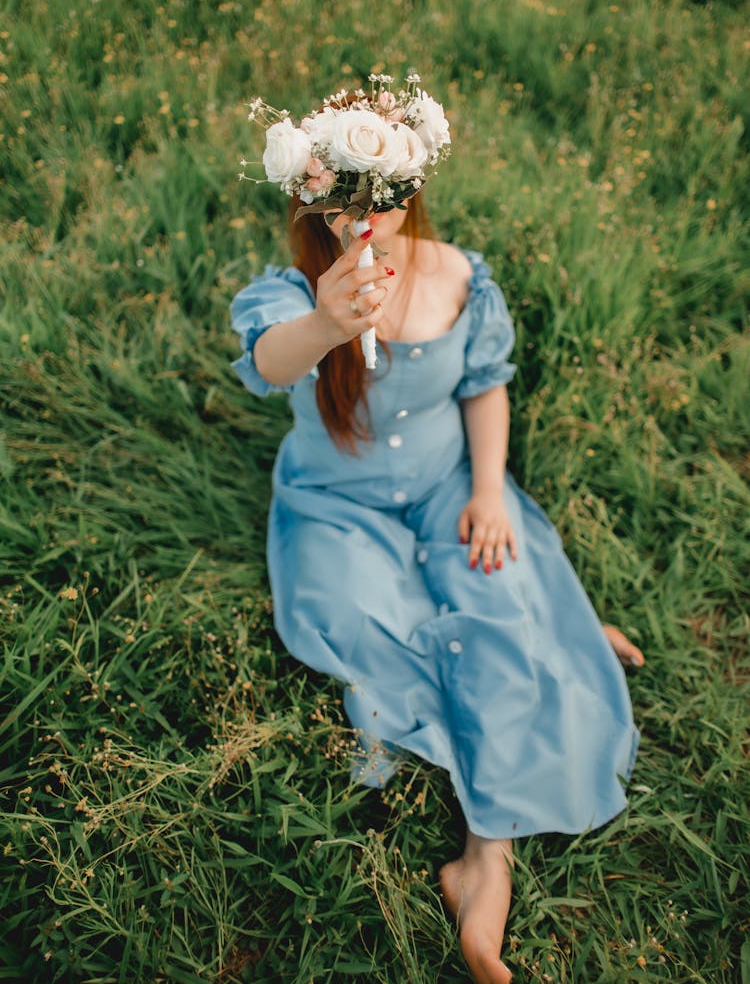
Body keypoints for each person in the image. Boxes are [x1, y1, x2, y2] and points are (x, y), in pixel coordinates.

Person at [229, 194, 643, 984]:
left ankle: (487, 854)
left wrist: (489, 488)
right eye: (337, 199)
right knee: (361, 620)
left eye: (377, 195)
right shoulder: (298, 288)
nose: (361, 216)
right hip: (335, 505)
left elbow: (484, 386)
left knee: (494, 584)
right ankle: (539, 660)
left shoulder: (458, 275)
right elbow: (269, 363)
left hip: (447, 484)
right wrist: (329, 321)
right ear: (310, 206)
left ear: (408, 190)